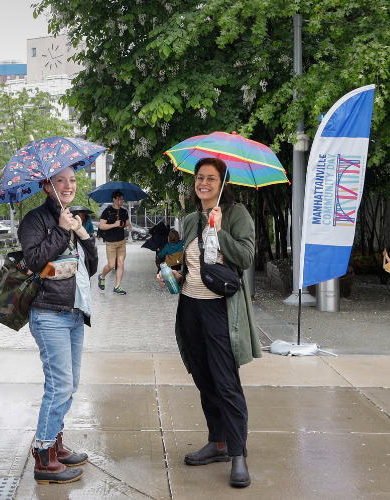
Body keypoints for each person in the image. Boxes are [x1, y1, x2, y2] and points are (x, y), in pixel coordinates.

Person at [157, 157, 261, 489]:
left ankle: (237, 452)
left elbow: (245, 258)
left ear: (222, 183)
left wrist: (218, 229)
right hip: (190, 307)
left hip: (220, 310)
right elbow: (189, 259)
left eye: (211, 178)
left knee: (226, 381)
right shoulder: (190, 219)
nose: (204, 183)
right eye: (200, 178)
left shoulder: (236, 214)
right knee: (203, 377)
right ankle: (217, 442)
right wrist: (173, 272)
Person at [19, 166, 98, 485]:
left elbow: (89, 267)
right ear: (46, 186)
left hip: (75, 311)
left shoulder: (74, 218)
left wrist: (81, 233)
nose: (68, 185)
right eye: (60, 181)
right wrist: (62, 231)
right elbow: (36, 261)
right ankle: (44, 456)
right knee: (59, 385)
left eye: (72, 180)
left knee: (71, 383)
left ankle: (56, 442)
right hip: (49, 312)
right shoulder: (35, 220)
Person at [98, 191, 132, 295]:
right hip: (110, 242)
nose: (122, 200)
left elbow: (127, 223)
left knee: (121, 263)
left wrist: (129, 227)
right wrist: (114, 224)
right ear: (114, 199)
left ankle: (117, 286)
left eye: (123, 198)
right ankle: (102, 276)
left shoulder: (124, 212)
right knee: (111, 265)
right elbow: (101, 226)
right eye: (120, 198)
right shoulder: (107, 211)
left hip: (121, 241)